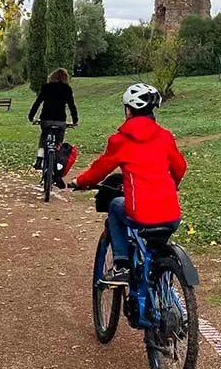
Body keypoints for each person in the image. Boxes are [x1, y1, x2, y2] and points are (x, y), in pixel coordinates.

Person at [71, 83, 186, 284]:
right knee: (155, 252)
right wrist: (173, 184)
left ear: (129, 110)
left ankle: (121, 265)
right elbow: (179, 168)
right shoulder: (165, 136)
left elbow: (100, 169)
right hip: (171, 214)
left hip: (140, 213)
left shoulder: (120, 140)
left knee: (116, 205)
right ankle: (161, 283)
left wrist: (79, 182)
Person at [29, 68, 78, 180]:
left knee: (43, 137)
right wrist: (75, 120)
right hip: (60, 121)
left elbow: (38, 102)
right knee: (58, 143)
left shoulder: (46, 87)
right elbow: (72, 105)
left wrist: (31, 117)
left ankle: (39, 159)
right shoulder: (67, 89)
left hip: (46, 120)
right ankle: (57, 165)